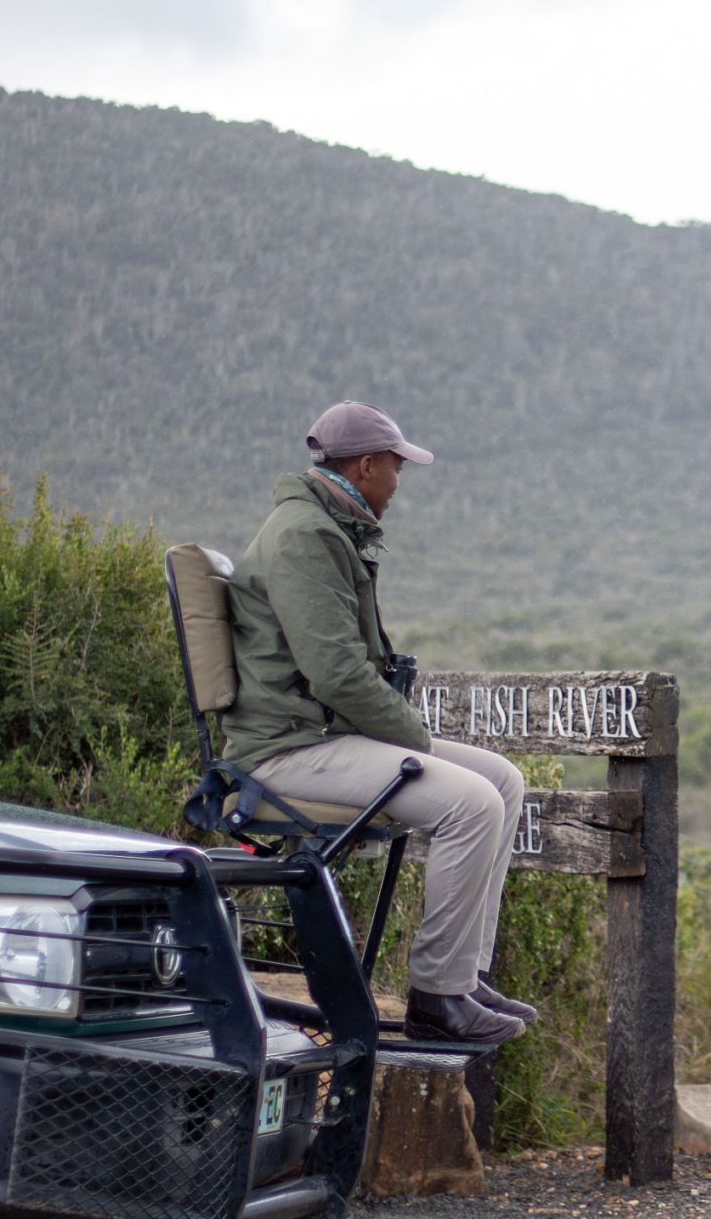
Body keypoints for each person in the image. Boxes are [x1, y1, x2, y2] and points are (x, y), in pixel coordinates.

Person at [221, 400, 533, 1047]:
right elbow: (337, 675)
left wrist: (403, 732)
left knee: (502, 779)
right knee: (471, 803)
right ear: (365, 466)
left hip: (323, 733)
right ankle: (437, 999)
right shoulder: (304, 538)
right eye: (395, 466)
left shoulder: (327, 529)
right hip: (288, 748)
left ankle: (464, 976)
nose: (398, 480)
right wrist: (415, 738)